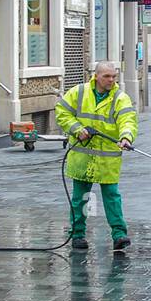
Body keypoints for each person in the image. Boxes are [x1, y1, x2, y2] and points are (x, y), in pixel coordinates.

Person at [54, 61, 139, 251]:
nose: (111, 80)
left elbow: (128, 120)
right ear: (96, 76)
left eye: (114, 76)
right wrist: (77, 129)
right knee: (81, 198)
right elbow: (62, 111)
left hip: (107, 159)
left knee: (112, 198)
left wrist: (126, 137)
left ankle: (119, 235)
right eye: (107, 76)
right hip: (82, 158)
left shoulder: (120, 98)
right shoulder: (79, 92)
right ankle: (77, 235)